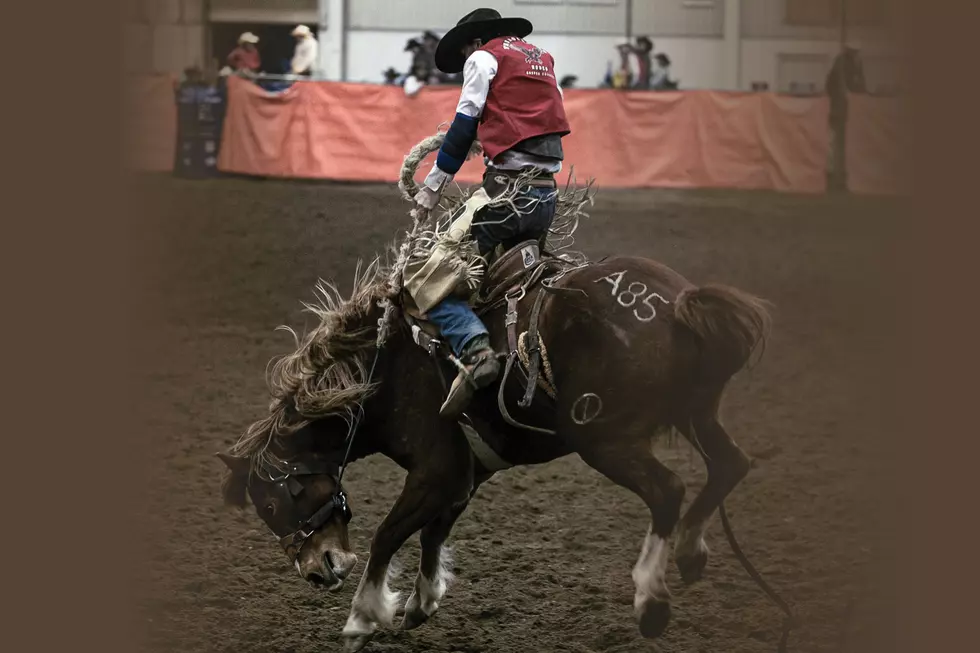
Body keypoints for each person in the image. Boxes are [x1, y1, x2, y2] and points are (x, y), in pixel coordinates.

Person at [412, 7, 571, 418]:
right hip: (545, 197)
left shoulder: (483, 59)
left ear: (472, 42)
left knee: (427, 277)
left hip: (507, 198)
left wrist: (432, 187)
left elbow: (465, 123)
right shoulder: (541, 59)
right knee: (515, 281)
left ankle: (475, 350)